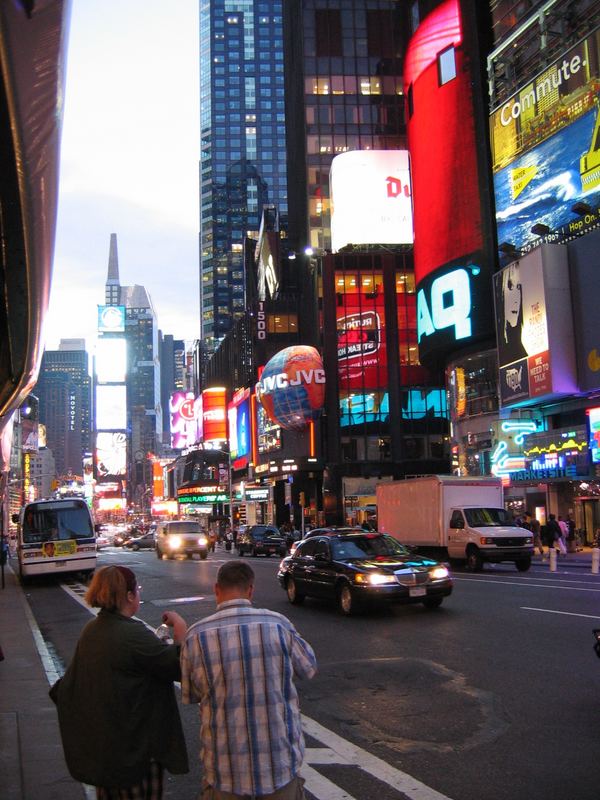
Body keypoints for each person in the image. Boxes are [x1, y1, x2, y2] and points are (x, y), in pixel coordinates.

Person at [181, 561, 317, 800]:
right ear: (251, 590)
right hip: (278, 767)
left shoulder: (196, 636)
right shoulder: (278, 625)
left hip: (225, 771)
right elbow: (308, 668)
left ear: (216, 589)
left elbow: (191, 693)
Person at [50, 565, 189, 798]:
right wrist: (180, 629)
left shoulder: (92, 629)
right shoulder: (131, 634)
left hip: (107, 750)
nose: (139, 593)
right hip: (134, 752)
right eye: (138, 589)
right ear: (129, 596)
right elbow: (180, 666)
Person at [497, 261, 527, 366]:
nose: (515, 299)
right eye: (510, 286)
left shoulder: (526, 348)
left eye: (518, 288)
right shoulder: (502, 351)